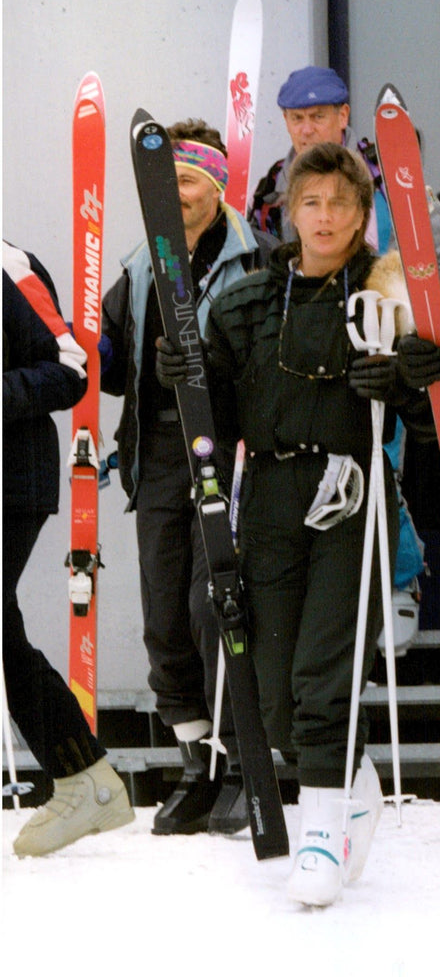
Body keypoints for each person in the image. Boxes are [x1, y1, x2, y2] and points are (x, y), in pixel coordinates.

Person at [157, 142, 440, 907]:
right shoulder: (248, 300)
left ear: (362, 214)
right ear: (291, 211)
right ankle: (351, 778)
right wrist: (180, 372)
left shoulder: (383, 294)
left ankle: (320, 828)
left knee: (326, 661)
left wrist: (411, 379)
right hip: (273, 493)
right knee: (269, 672)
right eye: (312, 202)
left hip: (351, 491)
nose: (326, 217)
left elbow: (428, 417)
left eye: (341, 204)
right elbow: (211, 414)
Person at [249, 66, 440, 653]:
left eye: (319, 116)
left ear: (344, 116)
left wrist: (429, 312)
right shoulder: (272, 195)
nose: (307, 129)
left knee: (376, 463)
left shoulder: (392, 179)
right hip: (299, 356)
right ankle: (317, 590)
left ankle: (398, 581)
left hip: (377, 344)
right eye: (297, 119)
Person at [101, 119, 276, 837]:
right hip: (160, 457)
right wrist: (96, 351)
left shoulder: (255, 260)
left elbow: (271, 364)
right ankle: (193, 765)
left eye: (187, 181)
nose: (175, 195)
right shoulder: (140, 265)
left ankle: (239, 762)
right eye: (163, 182)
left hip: (226, 451)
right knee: (164, 618)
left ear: (217, 186)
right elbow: (114, 369)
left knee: (217, 608)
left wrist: (210, 367)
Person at [3, 240, 134, 857]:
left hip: (11, 480)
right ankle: (86, 779)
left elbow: (72, 366)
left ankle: (86, 780)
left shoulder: (10, 264)